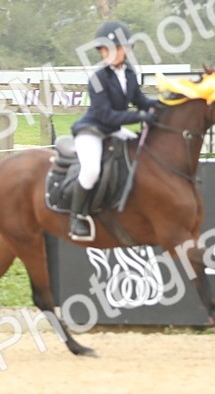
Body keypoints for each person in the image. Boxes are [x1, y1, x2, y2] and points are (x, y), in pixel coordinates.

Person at [67, 21, 159, 241]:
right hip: (92, 131)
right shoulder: (98, 79)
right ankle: (75, 217)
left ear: (126, 49)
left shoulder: (130, 73)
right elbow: (106, 115)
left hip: (114, 130)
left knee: (143, 154)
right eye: (105, 49)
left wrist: (163, 104)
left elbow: (140, 100)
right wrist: (140, 117)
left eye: (115, 48)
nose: (109, 54)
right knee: (91, 171)